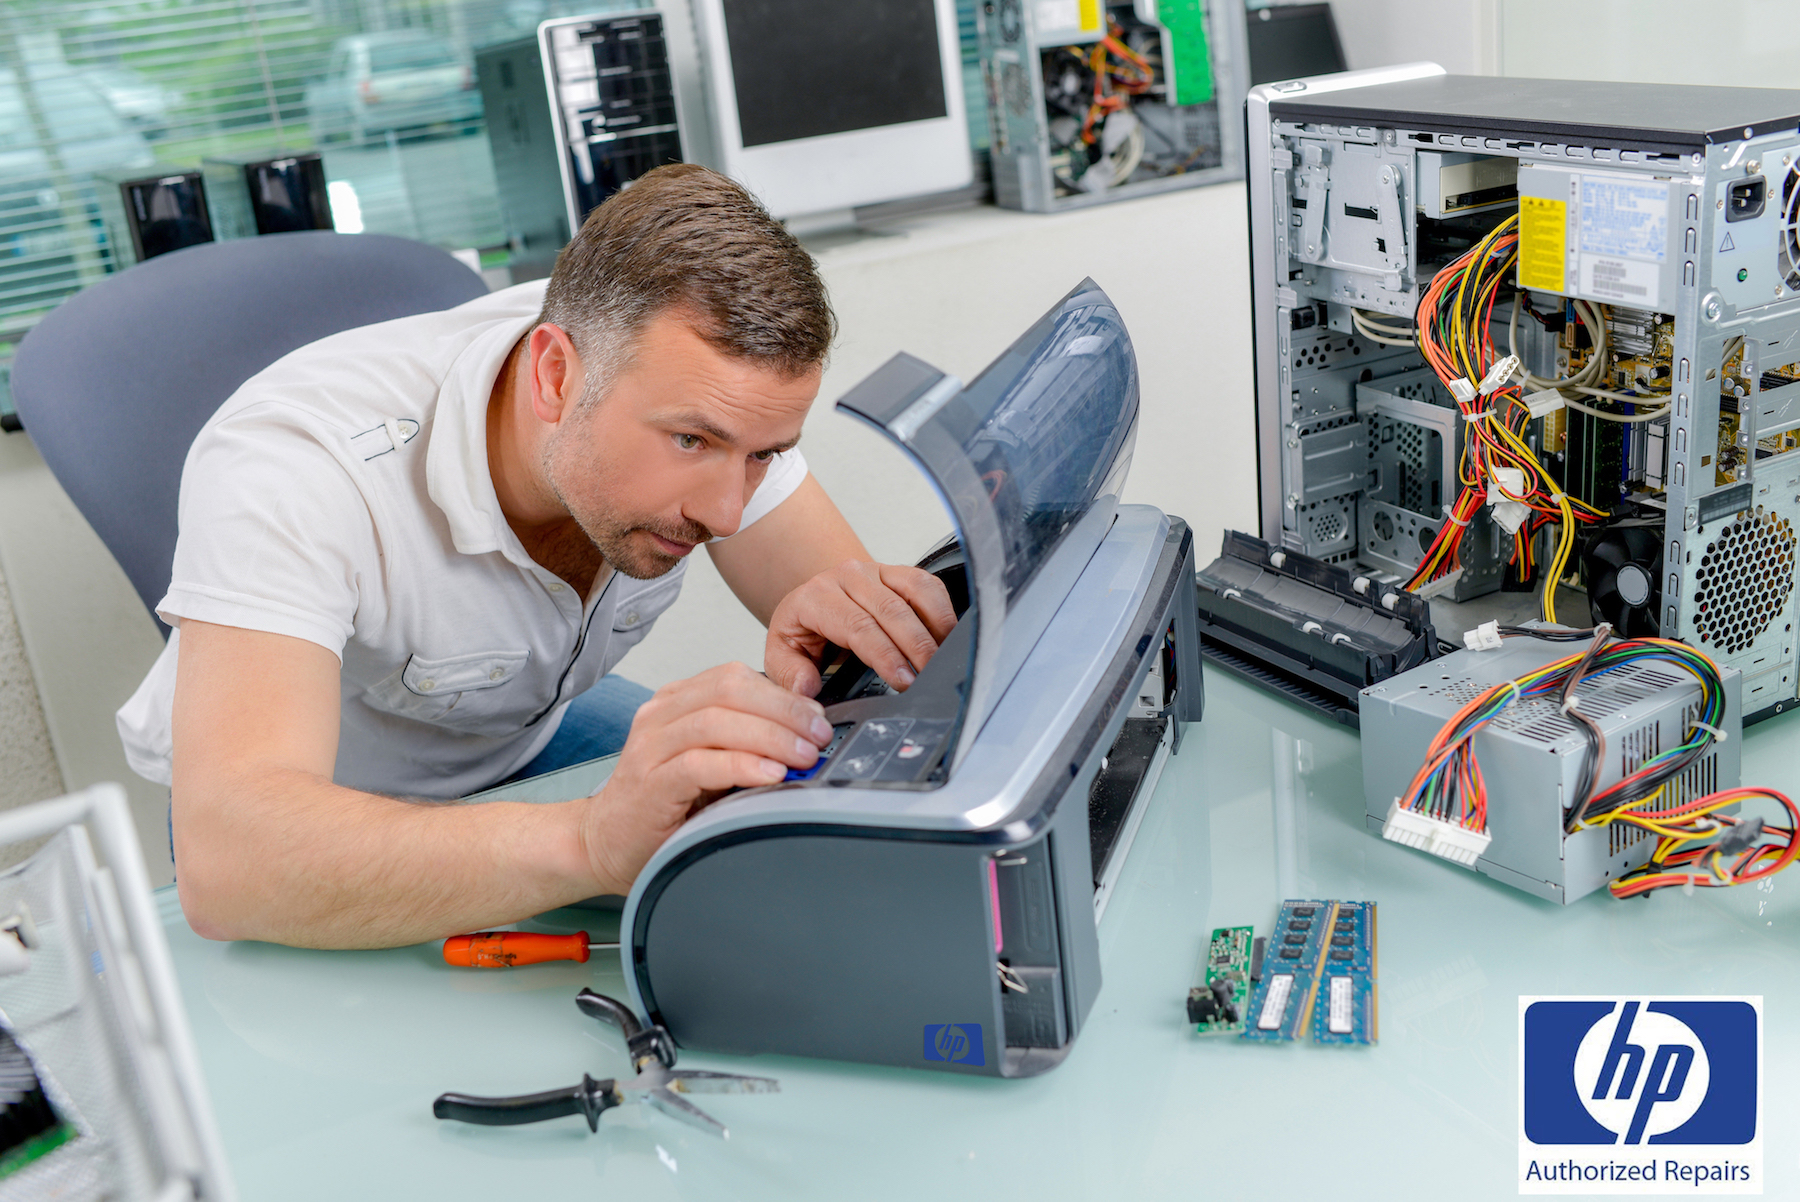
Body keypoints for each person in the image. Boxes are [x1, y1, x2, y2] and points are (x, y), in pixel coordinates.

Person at [116, 165, 955, 949]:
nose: (727, 513)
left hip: (526, 740)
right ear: (554, 376)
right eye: (690, 442)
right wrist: (587, 841)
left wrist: (852, 643)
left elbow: (883, 653)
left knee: (788, 889)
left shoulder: (690, 388)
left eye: (764, 454)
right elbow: (233, 864)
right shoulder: (296, 466)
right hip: (326, 817)